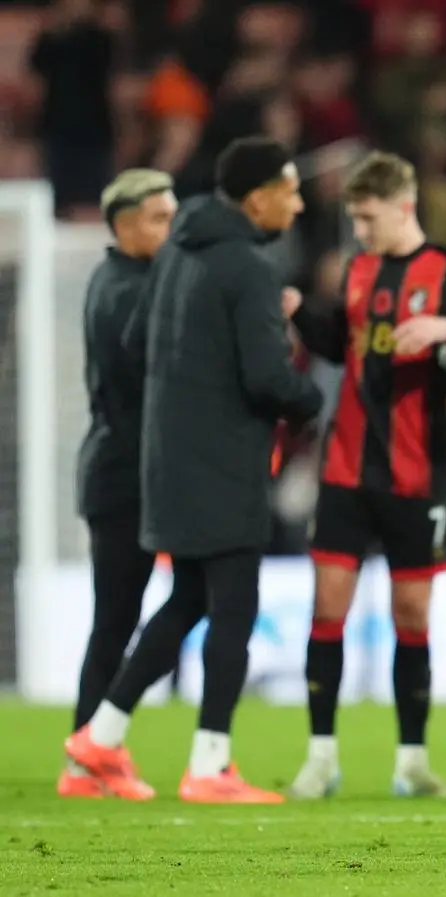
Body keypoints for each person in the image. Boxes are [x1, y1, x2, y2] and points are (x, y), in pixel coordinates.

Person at [67, 137, 324, 803]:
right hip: (223, 461)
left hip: (170, 458)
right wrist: (311, 397)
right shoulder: (247, 264)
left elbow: (138, 342)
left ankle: (100, 733)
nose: (297, 205)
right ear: (258, 195)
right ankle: (209, 765)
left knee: (189, 598)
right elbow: (268, 378)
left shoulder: (178, 251)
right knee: (232, 607)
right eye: (290, 191)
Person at [286, 150, 446, 799]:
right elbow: (338, 341)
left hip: (417, 469)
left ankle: (411, 759)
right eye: (354, 217)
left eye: (368, 216)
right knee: (328, 606)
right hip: (345, 466)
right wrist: (299, 308)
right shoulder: (356, 270)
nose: (360, 229)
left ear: (402, 206)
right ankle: (320, 755)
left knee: (412, 613)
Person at [61, 169, 177, 799]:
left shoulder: (121, 281)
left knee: (119, 618)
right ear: (124, 224)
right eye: (161, 217)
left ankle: (91, 751)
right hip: (122, 478)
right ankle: (91, 749)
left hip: (122, 473)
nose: (171, 227)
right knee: (122, 618)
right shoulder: (125, 290)